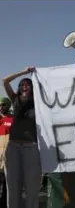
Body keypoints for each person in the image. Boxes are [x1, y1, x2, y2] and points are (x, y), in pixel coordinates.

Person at [2, 67, 41, 208]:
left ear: (32, 88)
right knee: (12, 187)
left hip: (31, 148)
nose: (25, 86)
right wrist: (24, 72)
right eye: (22, 84)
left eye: (28, 84)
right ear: (19, 88)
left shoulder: (39, 102)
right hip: (13, 148)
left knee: (32, 188)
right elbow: (5, 81)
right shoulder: (15, 99)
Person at [0, 97, 13, 208]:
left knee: (6, 185)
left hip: (8, 156)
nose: (0, 107)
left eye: (3, 104)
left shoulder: (12, 119)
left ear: (8, 105)